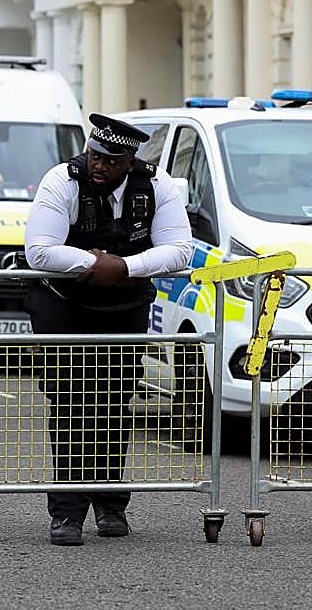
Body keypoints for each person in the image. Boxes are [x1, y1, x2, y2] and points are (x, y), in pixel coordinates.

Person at [23, 113, 191, 546]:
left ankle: (111, 505)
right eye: (95, 155)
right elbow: (40, 252)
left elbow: (180, 250)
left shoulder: (159, 186)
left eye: (111, 160)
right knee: (71, 402)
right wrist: (94, 264)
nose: (99, 165)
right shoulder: (62, 179)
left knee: (115, 402)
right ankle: (67, 511)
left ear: (130, 161)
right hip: (63, 307)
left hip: (124, 307)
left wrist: (125, 267)